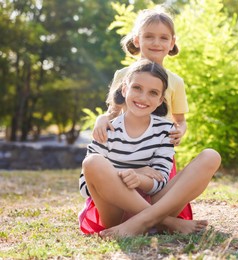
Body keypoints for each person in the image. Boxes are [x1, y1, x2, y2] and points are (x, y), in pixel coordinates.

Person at [79, 59, 221, 238]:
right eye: (137, 88)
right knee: (92, 162)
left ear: (160, 99)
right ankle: (166, 222)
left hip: (156, 203)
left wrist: (140, 179)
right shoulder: (106, 130)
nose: (143, 97)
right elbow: (86, 186)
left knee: (211, 156)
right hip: (115, 213)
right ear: (124, 89)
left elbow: (160, 181)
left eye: (153, 93)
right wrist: (135, 172)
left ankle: (142, 223)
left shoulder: (165, 130)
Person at [92, 6, 192, 220]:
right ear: (137, 40)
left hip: (158, 154)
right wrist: (101, 119)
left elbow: (180, 121)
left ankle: (154, 217)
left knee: (158, 189)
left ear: (171, 43)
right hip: (126, 153)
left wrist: (180, 131)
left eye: (163, 38)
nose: (157, 43)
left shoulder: (176, 82)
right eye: (149, 36)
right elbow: (113, 112)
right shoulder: (123, 75)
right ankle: (152, 219)